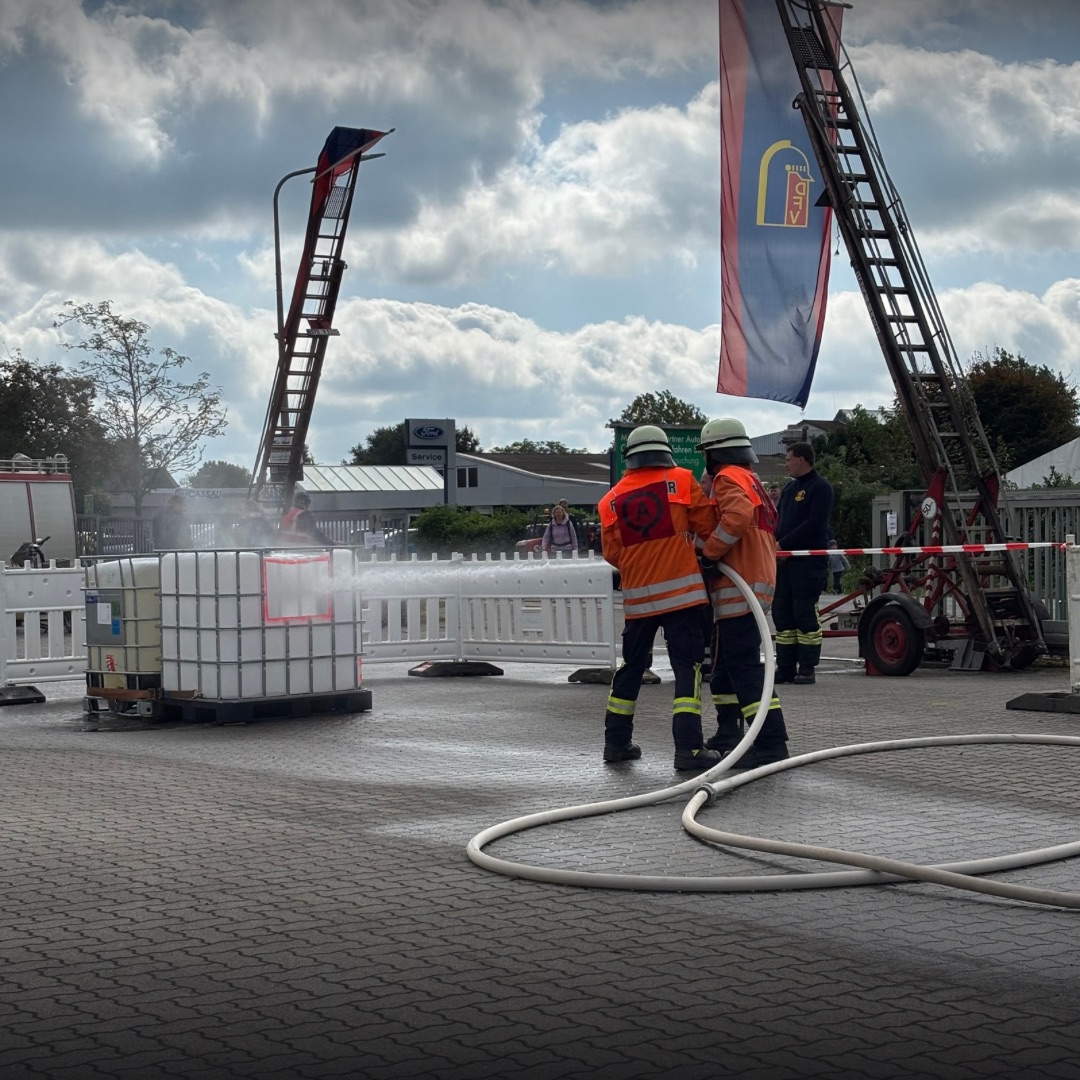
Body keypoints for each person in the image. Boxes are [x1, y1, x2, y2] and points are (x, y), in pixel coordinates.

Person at [598, 425, 721, 772]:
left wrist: (642, 567)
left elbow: (612, 553)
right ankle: (689, 749)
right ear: (664, 452)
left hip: (638, 602)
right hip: (682, 598)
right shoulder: (682, 481)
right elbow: (707, 528)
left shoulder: (610, 500)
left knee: (632, 668)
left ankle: (615, 743)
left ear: (630, 457)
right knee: (687, 670)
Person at [696, 418, 789, 769]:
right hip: (751, 582)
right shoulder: (751, 479)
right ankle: (728, 735)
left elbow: (737, 517)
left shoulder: (726, 478)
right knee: (724, 669)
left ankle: (769, 742)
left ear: (714, 453)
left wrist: (710, 552)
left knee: (745, 668)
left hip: (741, 586)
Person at [774, 441, 834, 685]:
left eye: (789, 459)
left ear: (802, 459)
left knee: (804, 613)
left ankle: (807, 667)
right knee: (783, 615)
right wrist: (774, 542)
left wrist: (784, 544)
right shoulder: (789, 489)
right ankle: (786, 666)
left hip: (808, 564)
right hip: (785, 565)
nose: (786, 463)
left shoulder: (821, 488)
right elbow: (779, 521)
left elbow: (814, 524)